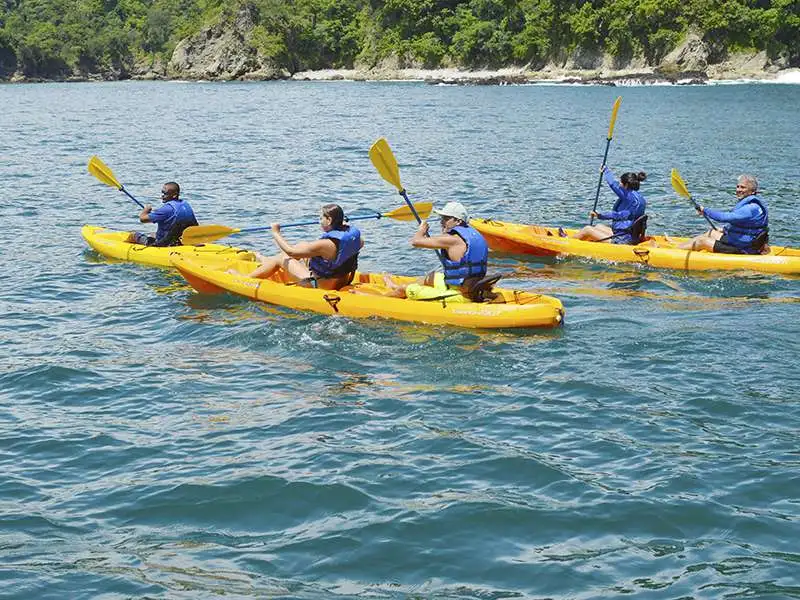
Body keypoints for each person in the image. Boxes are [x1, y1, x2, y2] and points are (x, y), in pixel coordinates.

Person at [378, 201, 489, 301]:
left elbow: (415, 241)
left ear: (458, 221)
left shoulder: (452, 240)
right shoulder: (475, 235)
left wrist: (422, 230)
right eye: (442, 218)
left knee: (403, 290)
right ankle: (394, 287)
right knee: (432, 277)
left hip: (458, 294)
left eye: (446, 219)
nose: (442, 222)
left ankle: (379, 301)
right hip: (473, 288)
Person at [243, 203, 363, 290]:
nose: (319, 221)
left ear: (329, 220)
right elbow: (359, 244)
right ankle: (269, 262)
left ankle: (246, 279)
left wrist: (276, 233)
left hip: (321, 285)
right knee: (303, 245)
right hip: (343, 281)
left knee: (282, 258)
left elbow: (291, 252)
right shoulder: (354, 238)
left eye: (321, 218)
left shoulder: (324, 245)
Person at [670, 174, 769, 254]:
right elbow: (742, 225)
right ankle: (681, 247)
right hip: (742, 242)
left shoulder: (751, 208)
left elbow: (724, 217)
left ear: (752, 192)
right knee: (711, 233)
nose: (738, 190)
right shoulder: (752, 205)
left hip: (743, 248)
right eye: (738, 186)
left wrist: (705, 210)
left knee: (701, 241)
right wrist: (724, 230)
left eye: (743, 187)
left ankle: (672, 253)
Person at [570, 167, 648, 244]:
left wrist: (600, 215)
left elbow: (613, 185)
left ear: (626, 185)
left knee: (587, 229)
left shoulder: (628, 196)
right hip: (630, 235)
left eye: (620, 182)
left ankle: (567, 242)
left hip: (622, 240)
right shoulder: (640, 198)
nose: (619, 185)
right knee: (598, 226)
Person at [127, 182, 198, 247]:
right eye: (162, 193)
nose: (162, 196)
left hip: (165, 244)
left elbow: (143, 219)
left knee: (133, 234)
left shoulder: (166, 209)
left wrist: (145, 210)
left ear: (174, 195)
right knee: (153, 234)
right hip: (181, 240)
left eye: (165, 193)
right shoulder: (185, 204)